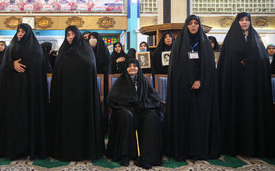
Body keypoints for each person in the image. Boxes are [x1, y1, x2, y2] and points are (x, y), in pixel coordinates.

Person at [163, 15, 220, 161]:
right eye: (190, 23)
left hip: (201, 89)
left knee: (198, 119)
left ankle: (198, 150)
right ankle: (183, 150)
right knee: (184, 118)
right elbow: (176, 68)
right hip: (183, 89)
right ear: (186, 25)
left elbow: (208, 66)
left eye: (196, 23)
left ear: (199, 26)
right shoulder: (179, 43)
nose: (193, 26)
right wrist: (187, 81)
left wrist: (200, 79)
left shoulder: (205, 43)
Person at [217, 12, 274, 157]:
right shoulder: (230, 39)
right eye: (242, 20)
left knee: (251, 111)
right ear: (237, 22)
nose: (244, 22)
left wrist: (249, 62)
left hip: (252, 85)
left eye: (247, 20)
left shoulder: (255, 38)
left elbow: (262, 59)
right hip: (234, 84)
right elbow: (227, 61)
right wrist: (238, 63)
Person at [49, 26, 104, 161]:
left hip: (83, 97)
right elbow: (57, 74)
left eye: (73, 34)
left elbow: (90, 67)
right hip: (65, 97)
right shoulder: (62, 51)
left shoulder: (86, 51)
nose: (70, 37)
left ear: (78, 35)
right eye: (68, 34)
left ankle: (85, 150)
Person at [0, 23, 48, 160]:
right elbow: (2, 68)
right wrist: (11, 64)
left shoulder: (36, 49)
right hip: (13, 95)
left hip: (30, 95)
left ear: (28, 33)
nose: (20, 33)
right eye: (18, 31)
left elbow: (38, 71)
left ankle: (30, 148)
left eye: (23, 31)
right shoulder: (11, 47)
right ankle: (13, 149)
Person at [106, 59, 163, 169]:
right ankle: (125, 154)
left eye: (135, 66)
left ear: (138, 68)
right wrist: (129, 102)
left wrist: (143, 105)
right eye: (129, 66)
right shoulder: (121, 80)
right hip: (126, 109)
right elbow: (112, 98)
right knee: (127, 116)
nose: (132, 68)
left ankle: (147, 156)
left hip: (142, 109)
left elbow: (154, 97)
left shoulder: (144, 80)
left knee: (151, 117)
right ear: (126, 68)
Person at [89, 32, 111, 133]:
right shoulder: (87, 50)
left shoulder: (104, 51)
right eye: (90, 38)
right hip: (89, 82)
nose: (92, 40)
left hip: (103, 82)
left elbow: (107, 68)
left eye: (94, 38)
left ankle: (103, 128)